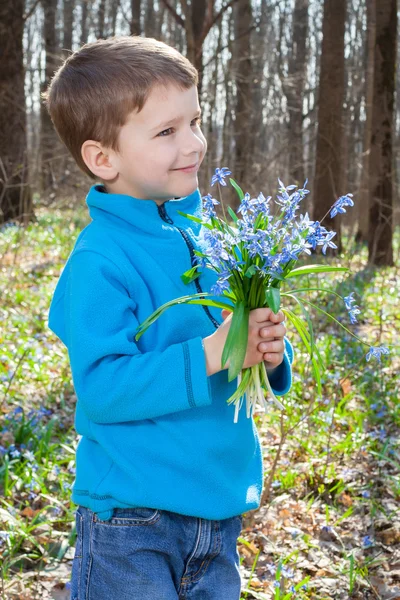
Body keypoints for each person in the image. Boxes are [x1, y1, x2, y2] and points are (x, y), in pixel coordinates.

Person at [43, 35, 294, 600]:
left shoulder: (215, 238)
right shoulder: (100, 260)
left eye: (196, 121)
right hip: (133, 520)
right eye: (166, 132)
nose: (194, 144)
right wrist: (211, 352)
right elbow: (102, 388)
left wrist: (269, 348)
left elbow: (246, 347)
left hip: (217, 510)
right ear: (102, 157)